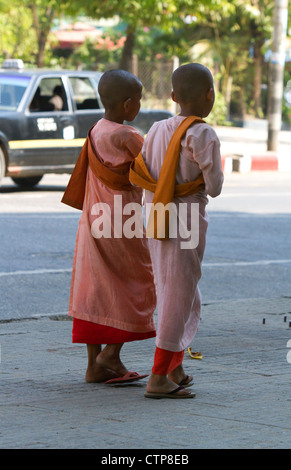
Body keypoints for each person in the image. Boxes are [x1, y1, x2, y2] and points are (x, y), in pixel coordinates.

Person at [130, 63, 224, 398]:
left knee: (180, 289)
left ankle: (175, 367)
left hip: (155, 214)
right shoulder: (202, 134)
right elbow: (213, 188)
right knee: (178, 294)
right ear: (210, 95)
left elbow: (144, 169)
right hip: (185, 217)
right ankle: (158, 378)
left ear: (172, 96)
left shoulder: (155, 129)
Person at [61, 69, 156, 384]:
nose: (139, 106)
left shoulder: (94, 131)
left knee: (95, 287)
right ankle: (111, 355)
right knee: (138, 281)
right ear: (128, 105)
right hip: (121, 223)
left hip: (92, 220)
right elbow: (153, 169)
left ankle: (94, 365)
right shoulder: (128, 136)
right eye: (139, 100)